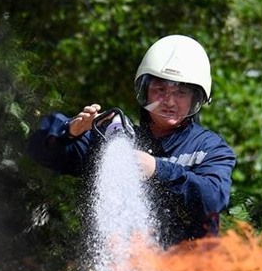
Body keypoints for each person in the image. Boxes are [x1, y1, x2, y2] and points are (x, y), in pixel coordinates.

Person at [27, 34, 236, 247]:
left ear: (197, 99)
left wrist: (157, 169)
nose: (169, 101)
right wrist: (71, 132)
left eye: (181, 93)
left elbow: (213, 199)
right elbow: (39, 151)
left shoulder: (210, 148)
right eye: (160, 90)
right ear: (145, 91)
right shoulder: (118, 142)